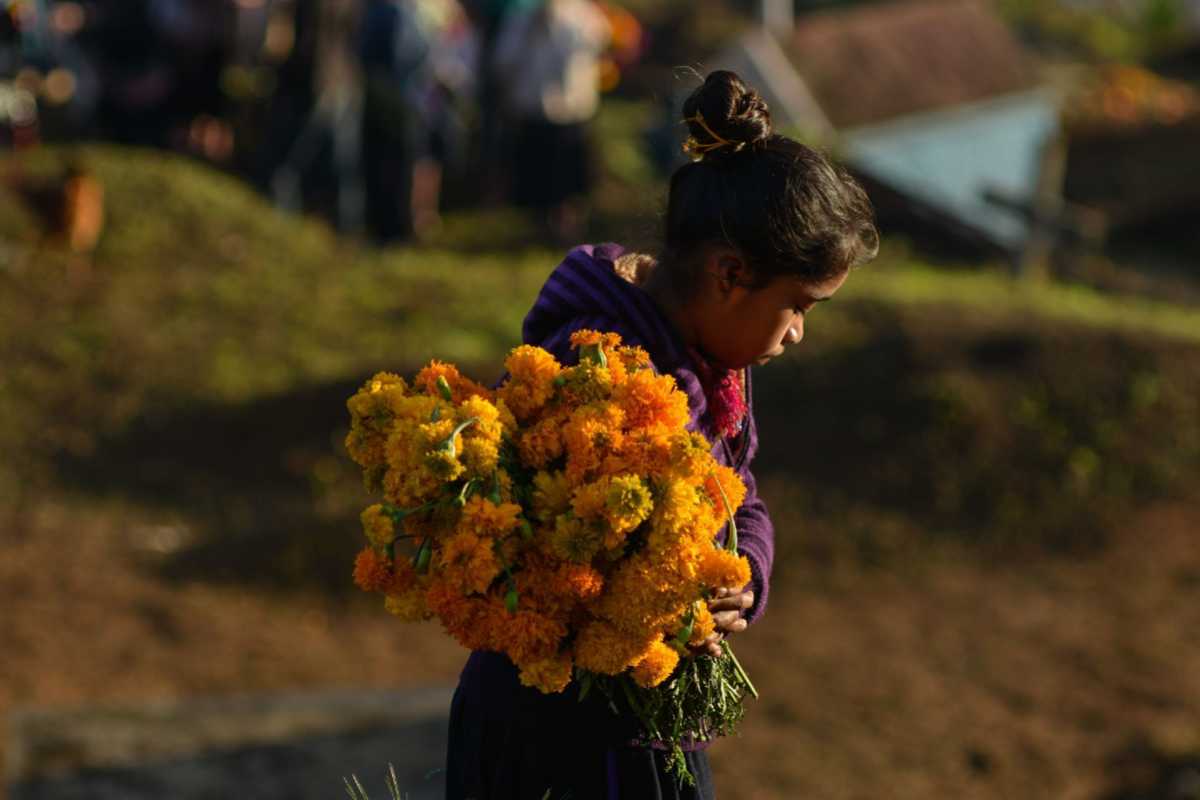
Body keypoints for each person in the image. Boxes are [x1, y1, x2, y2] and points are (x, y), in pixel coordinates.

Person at [444, 70, 879, 799]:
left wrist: (743, 578)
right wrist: (674, 598)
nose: (799, 333)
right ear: (730, 275)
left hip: (647, 721)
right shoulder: (596, 373)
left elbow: (740, 497)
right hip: (563, 732)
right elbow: (561, 560)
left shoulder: (712, 362)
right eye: (800, 307)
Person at [493, 0, 609, 242]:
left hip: (572, 110)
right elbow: (504, 60)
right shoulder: (521, 18)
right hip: (534, 110)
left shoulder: (583, 14)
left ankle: (568, 224)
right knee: (537, 174)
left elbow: (598, 44)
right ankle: (540, 225)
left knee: (569, 175)